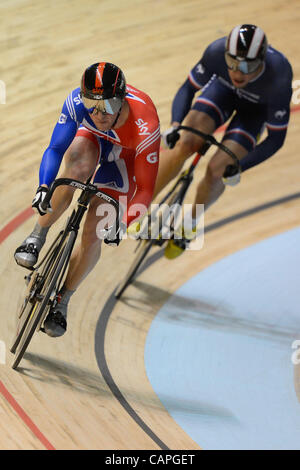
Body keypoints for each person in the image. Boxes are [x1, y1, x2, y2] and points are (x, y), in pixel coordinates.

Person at [14, 62, 160, 337]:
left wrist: (123, 223)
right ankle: (37, 235)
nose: (98, 112)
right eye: (91, 103)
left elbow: (145, 190)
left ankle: (63, 300)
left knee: (94, 229)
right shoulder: (76, 104)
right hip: (91, 140)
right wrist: (44, 186)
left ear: (121, 99)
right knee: (77, 169)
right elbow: (55, 148)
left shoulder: (145, 124)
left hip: (124, 157)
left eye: (106, 105)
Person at [155, 24, 293, 258]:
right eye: (232, 63)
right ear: (225, 55)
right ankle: (141, 204)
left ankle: (190, 224)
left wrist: (240, 167)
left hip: (255, 113)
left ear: (261, 63)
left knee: (218, 169)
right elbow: (189, 88)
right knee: (185, 143)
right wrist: (176, 125)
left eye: (248, 66)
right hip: (222, 93)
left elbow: (276, 139)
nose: (238, 72)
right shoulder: (216, 51)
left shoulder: (279, 76)